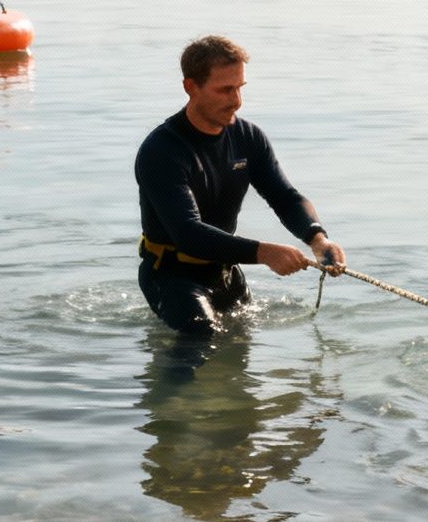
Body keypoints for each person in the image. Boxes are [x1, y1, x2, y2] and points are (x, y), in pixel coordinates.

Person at [135, 35, 347, 336]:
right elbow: (187, 233)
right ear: (190, 87)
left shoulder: (247, 138)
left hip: (224, 272)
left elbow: (284, 196)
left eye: (239, 88)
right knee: (202, 337)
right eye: (224, 90)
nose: (236, 101)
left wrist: (317, 238)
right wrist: (264, 252)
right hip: (172, 276)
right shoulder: (162, 150)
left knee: (240, 349)